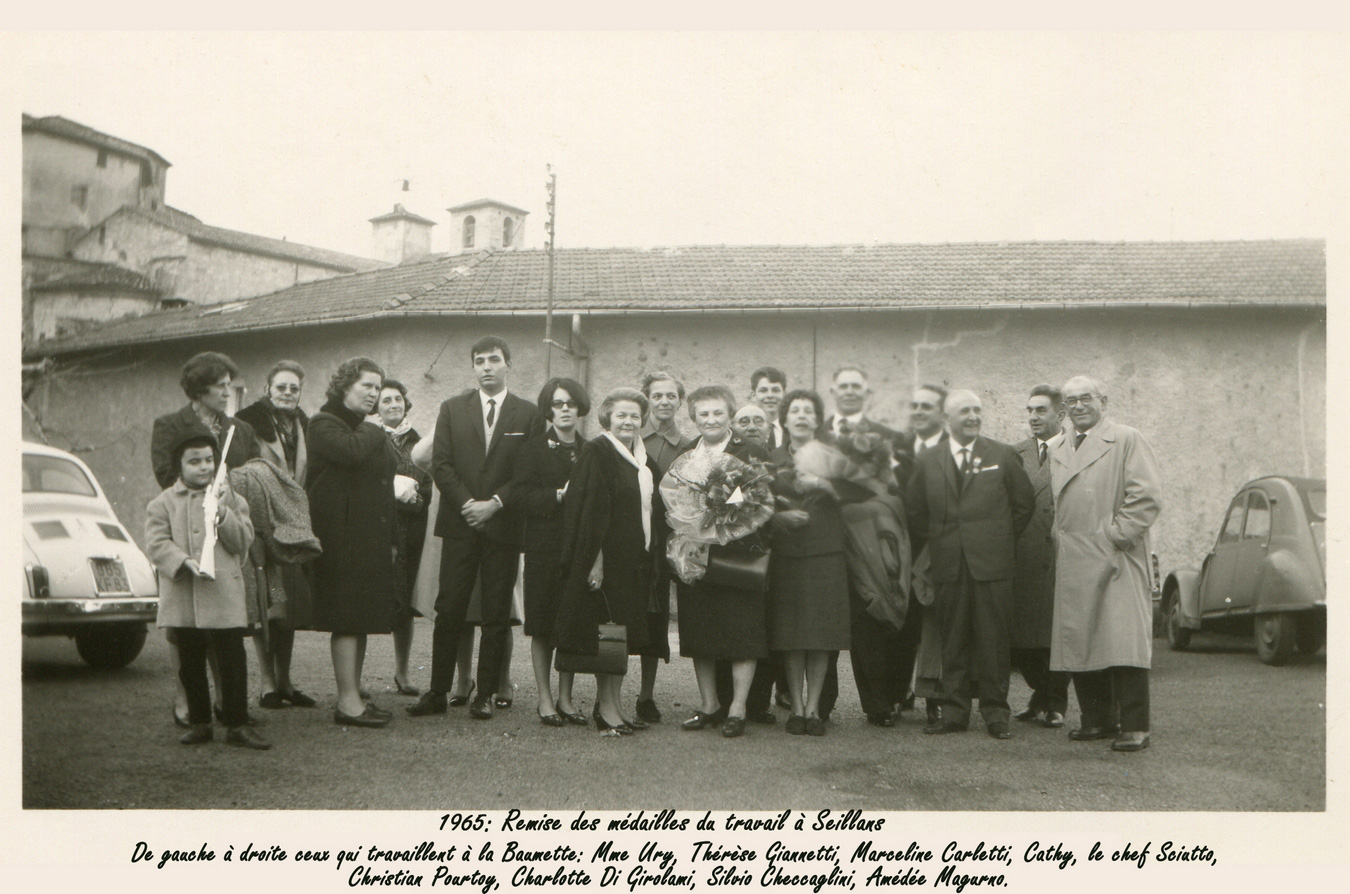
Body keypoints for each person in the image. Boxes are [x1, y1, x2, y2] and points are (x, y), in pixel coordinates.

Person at [409, 336, 539, 721]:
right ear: (473, 367)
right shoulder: (452, 409)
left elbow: (528, 472)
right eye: (479, 361)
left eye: (494, 360)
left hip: (503, 525)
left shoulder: (527, 414)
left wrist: (495, 504)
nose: (486, 367)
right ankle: (437, 691)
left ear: (508, 365)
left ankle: (484, 693)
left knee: (497, 612)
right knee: (449, 608)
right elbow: (442, 464)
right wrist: (469, 505)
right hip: (461, 523)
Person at [906, 389, 1034, 739]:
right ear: (947, 419)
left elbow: (1023, 506)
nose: (973, 416)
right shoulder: (929, 459)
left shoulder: (1002, 455)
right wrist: (943, 542)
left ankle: (996, 714)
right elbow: (916, 512)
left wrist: (997, 540)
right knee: (953, 639)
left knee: (994, 641)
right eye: (965, 411)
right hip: (948, 564)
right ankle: (954, 713)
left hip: (992, 565)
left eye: (977, 410)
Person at [1050, 375, 1163, 753]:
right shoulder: (1059, 446)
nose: (1078, 406)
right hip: (1075, 555)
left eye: (1086, 398)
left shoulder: (1126, 438)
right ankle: (1096, 719)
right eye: (1071, 401)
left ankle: (1135, 725)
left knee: (1122, 640)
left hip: (1116, 555)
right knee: (1082, 636)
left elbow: (1146, 497)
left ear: (1104, 401)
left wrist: (1115, 535)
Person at [151, 351, 260, 728]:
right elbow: (167, 475)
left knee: (228, 641)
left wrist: (228, 494)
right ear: (199, 390)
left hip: (225, 541)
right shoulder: (169, 425)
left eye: (231, 385)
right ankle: (193, 708)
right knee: (189, 644)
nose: (228, 392)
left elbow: (253, 471)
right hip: (187, 536)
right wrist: (202, 492)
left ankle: (231, 710)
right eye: (221, 386)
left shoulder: (239, 429)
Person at [145, 431, 267, 749]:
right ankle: (200, 723)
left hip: (224, 595)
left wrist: (223, 512)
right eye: (194, 461)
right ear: (179, 466)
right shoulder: (163, 503)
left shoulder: (232, 498)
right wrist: (182, 561)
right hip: (184, 595)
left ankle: (237, 723)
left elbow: (243, 541)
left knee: (233, 663)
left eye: (209, 460)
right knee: (191, 664)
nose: (203, 467)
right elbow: (156, 543)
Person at [664, 385, 772, 738]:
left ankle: (738, 708)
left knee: (742, 629)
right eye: (703, 414)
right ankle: (709, 704)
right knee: (701, 628)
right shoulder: (685, 453)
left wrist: (728, 519)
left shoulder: (749, 450)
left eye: (717, 413)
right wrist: (688, 527)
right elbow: (673, 499)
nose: (710, 420)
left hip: (737, 552)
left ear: (729, 415)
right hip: (696, 553)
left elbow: (761, 500)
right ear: (693, 418)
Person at [555, 387, 664, 734]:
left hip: (634, 562)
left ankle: (615, 705)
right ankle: (604, 710)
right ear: (607, 418)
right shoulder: (598, 452)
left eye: (635, 415)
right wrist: (595, 561)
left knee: (622, 635)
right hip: (608, 561)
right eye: (622, 415)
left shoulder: (642, 458)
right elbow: (587, 512)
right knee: (607, 636)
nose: (629, 421)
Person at [307, 357, 400, 728]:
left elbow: (384, 485)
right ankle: (346, 703)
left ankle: (354, 694)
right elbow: (351, 452)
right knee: (346, 618)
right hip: (339, 538)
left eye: (378, 388)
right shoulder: (323, 424)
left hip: (367, 537)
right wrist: (377, 428)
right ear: (345, 386)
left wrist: (391, 538)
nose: (375, 394)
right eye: (368, 386)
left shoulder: (364, 428)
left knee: (359, 619)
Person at [767, 390, 852, 736]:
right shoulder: (770, 459)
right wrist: (779, 518)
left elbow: (858, 500)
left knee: (820, 634)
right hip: (787, 554)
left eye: (808, 411)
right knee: (792, 634)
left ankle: (814, 708)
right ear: (785, 419)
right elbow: (756, 507)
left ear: (818, 420)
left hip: (825, 554)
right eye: (794, 411)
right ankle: (796, 708)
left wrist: (823, 484)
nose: (801, 416)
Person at [234, 359, 317, 710]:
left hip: (294, 526)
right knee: (266, 604)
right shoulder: (247, 422)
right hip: (261, 524)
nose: (287, 393)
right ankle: (267, 682)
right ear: (267, 388)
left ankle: (285, 680)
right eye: (280, 387)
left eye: (293, 388)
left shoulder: (305, 424)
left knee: (290, 607)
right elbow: (238, 473)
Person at [515, 377, 591, 726]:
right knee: (544, 625)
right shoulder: (532, 449)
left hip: (577, 547)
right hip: (544, 546)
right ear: (548, 409)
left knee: (570, 623)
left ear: (579, 409)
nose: (564, 410)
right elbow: (522, 496)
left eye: (570, 404)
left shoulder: (590, 450)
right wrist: (557, 496)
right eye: (558, 404)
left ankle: (566, 698)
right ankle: (545, 699)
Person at [711, 404, 779, 725]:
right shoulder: (730, 457)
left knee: (761, 626)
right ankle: (730, 701)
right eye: (744, 420)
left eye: (758, 420)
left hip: (768, 549)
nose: (751, 426)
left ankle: (759, 702)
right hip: (734, 550)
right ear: (733, 425)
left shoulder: (769, 458)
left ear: (769, 425)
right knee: (735, 624)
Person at [1010, 385, 1071, 728]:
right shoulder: (1014, 454)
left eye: (1041, 411)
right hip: (1024, 555)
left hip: (1061, 553)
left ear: (1060, 415)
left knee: (1055, 634)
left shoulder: (1077, 451)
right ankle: (1040, 693)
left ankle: (1055, 702)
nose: (1033, 417)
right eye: (1029, 410)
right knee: (1021, 637)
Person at [635, 371, 692, 723]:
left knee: (655, 619)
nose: (665, 402)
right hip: (631, 538)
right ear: (647, 400)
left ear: (679, 402)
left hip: (666, 539)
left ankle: (646, 695)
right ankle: (607, 692)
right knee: (623, 613)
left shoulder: (687, 447)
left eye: (672, 396)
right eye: (658, 396)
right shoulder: (630, 438)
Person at [374, 379, 433, 697]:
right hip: (377, 530)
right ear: (377, 408)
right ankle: (354, 679)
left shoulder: (419, 441)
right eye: (386, 401)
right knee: (369, 600)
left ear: (405, 405)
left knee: (405, 603)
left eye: (398, 399)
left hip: (410, 531)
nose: (393, 405)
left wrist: (418, 499)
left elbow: (428, 484)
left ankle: (402, 672)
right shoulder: (370, 439)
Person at [900, 384, 950, 726]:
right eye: (914, 405)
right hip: (899, 547)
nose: (918, 411)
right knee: (901, 622)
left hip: (939, 548)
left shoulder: (956, 448)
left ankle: (934, 695)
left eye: (927, 406)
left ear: (942, 414)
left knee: (935, 622)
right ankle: (898, 692)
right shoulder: (897, 448)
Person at [749, 366, 787, 450]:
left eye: (775, 390)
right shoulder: (745, 430)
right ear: (753, 395)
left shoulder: (793, 430)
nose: (770, 395)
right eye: (763, 390)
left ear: (784, 394)